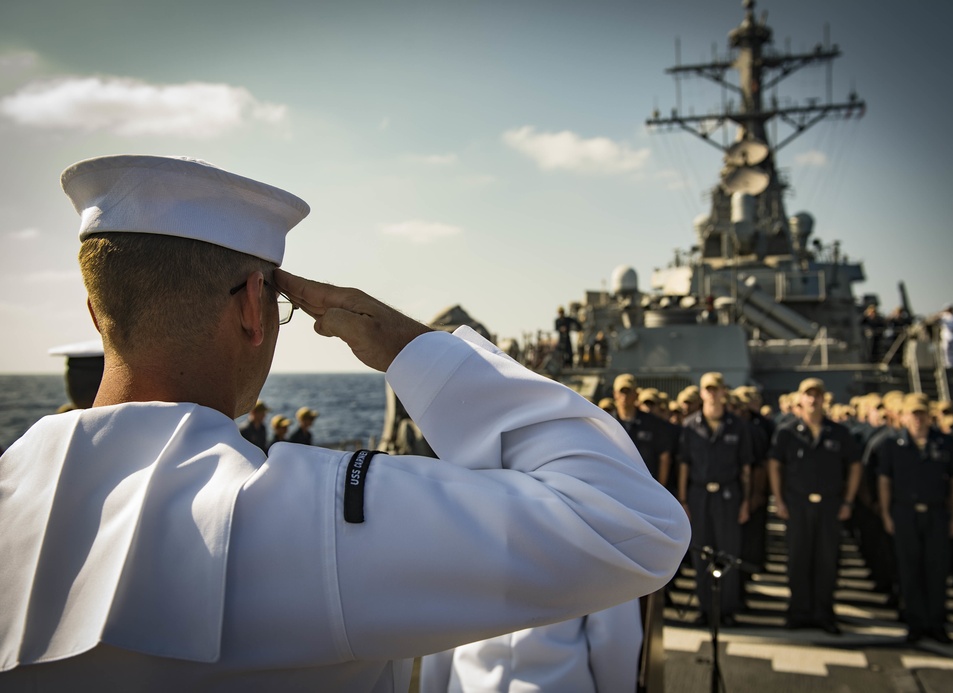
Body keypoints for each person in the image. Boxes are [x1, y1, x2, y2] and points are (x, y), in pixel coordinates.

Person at [0, 155, 690, 691]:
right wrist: (410, 345)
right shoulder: (316, 520)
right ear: (252, 306)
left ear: (96, 314)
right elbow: (633, 522)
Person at [767, 378, 862, 634]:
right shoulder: (787, 432)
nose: (813, 399)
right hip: (797, 504)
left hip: (830, 505)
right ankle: (797, 612)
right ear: (800, 399)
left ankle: (824, 613)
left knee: (827, 560)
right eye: (808, 395)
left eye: (817, 395)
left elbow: (854, 466)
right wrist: (778, 499)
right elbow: (775, 465)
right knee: (798, 559)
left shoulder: (839, 433)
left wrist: (848, 501)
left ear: (824, 398)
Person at [876, 392, 953, 644]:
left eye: (922, 414)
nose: (918, 419)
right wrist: (886, 513)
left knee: (936, 570)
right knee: (909, 569)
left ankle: (936, 622)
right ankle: (915, 622)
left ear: (929, 416)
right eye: (913, 414)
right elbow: (885, 481)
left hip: (936, 513)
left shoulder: (946, 444)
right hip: (904, 512)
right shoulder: (892, 444)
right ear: (903, 417)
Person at [418, 600, 641, 693]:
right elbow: (615, 637)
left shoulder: (462, 512)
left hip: (468, 685)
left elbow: (440, 629)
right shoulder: (595, 511)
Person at [676, 372, 753, 626]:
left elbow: (745, 468)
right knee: (701, 555)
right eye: (707, 389)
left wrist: (745, 502)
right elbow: (684, 464)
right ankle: (705, 608)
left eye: (716, 388)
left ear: (723, 392)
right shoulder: (690, 425)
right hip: (698, 496)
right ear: (701, 393)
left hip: (728, 495)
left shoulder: (738, 426)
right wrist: (684, 500)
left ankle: (726, 610)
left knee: (727, 553)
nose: (711, 393)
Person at [935, 304, 953, 368]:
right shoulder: (943, 316)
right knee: (945, 350)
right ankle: (946, 364)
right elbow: (935, 320)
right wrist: (940, 314)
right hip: (945, 335)